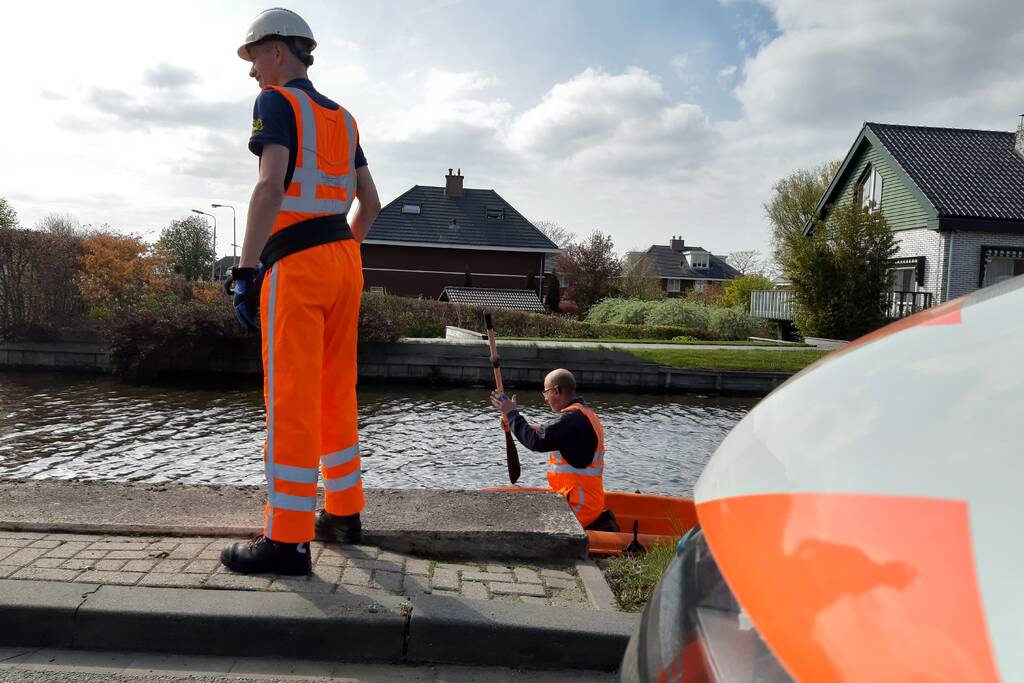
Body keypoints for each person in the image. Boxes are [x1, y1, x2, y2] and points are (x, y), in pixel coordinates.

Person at [220, 8, 382, 576]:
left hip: (297, 264)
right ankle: (343, 513)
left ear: (277, 50)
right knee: (336, 390)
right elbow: (370, 203)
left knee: (291, 398)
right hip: (344, 260)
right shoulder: (344, 117)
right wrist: (339, 251)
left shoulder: (274, 102)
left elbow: (270, 185)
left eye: (253, 58)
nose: (251, 72)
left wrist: (245, 271)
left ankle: (286, 541)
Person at [490, 369, 618, 531]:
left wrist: (511, 412)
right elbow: (548, 431)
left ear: (557, 391)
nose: (545, 399)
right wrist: (513, 422)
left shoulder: (571, 419)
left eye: (546, 393)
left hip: (578, 508)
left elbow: (536, 441)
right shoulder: (582, 414)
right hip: (585, 502)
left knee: (523, 524)